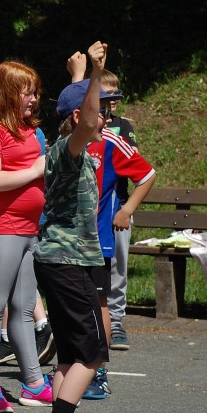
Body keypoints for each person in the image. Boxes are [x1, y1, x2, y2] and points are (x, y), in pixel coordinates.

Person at [31, 41, 111, 413]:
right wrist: (94, 74)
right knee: (92, 355)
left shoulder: (69, 147)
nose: (107, 117)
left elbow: (78, 113)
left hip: (59, 261)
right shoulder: (67, 150)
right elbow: (84, 120)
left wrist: (78, 78)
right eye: (102, 109)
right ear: (80, 118)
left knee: (69, 357)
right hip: (67, 262)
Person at [67, 53, 156, 399]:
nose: (103, 113)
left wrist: (127, 209)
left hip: (97, 238)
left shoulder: (113, 141)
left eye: (105, 107)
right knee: (72, 304)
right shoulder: (67, 140)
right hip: (65, 240)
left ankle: (98, 370)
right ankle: (73, 365)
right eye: (98, 105)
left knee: (97, 302)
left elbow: (147, 174)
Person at [0, 60, 51, 413]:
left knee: (23, 307)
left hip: (29, 227)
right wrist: (35, 170)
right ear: (6, 92)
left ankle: (33, 383)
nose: (33, 99)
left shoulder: (27, 128)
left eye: (35, 92)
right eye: (26, 92)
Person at [70, 63, 140, 350]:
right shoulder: (82, 127)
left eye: (115, 95)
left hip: (116, 208)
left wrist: (126, 210)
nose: (111, 101)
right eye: (105, 95)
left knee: (116, 269)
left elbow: (134, 164)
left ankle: (117, 320)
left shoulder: (121, 127)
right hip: (86, 215)